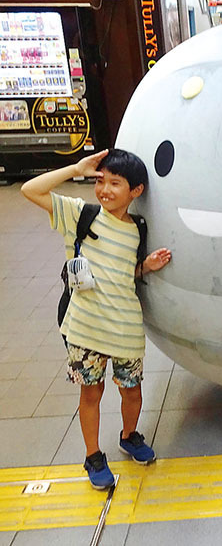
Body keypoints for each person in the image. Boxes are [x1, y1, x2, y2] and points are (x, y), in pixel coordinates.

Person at [20, 149, 172, 488]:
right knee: (91, 392)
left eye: (115, 183)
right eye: (100, 181)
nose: (104, 190)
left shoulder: (138, 229)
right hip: (85, 328)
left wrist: (144, 267)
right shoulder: (81, 215)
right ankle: (92, 455)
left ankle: (129, 436)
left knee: (131, 390)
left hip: (126, 328)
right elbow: (30, 190)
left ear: (136, 191)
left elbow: (122, 271)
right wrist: (75, 168)